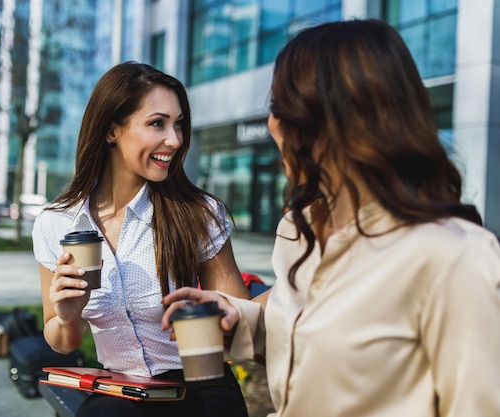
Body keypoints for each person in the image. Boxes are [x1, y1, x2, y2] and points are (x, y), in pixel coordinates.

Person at [161, 19, 500, 417]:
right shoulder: (298, 231)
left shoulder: (453, 255)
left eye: (280, 106)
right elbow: (316, 345)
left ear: (331, 120)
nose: (272, 124)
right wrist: (238, 320)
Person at [32, 61, 251, 417]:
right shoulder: (55, 224)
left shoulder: (197, 212)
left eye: (178, 124)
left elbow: (243, 319)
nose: (175, 140)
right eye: (157, 123)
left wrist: (214, 315)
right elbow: (61, 340)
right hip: (122, 391)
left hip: (200, 386)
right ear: (111, 131)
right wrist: (68, 317)